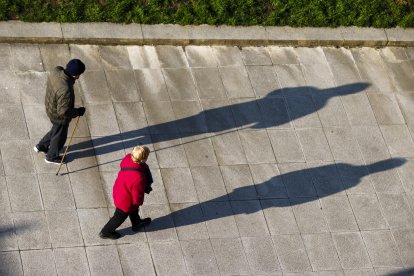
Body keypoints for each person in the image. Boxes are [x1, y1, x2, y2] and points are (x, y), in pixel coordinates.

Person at [33, 59, 86, 164]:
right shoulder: (65, 89)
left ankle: (42, 146)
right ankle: (51, 157)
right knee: (60, 137)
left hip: (50, 107)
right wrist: (77, 112)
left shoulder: (56, 70)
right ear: (76, 75)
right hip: (59, 117)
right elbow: (64, 112)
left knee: (56, 130)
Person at [99, 146, 153, 239]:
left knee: (134, 210)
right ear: (142, 160)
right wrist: (139, 202)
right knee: (119, 217)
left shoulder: (127, 159)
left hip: (120, 190)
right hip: (125, 201)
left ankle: (136, 223)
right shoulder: (139, 178)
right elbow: (137, 194)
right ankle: (106, 232)